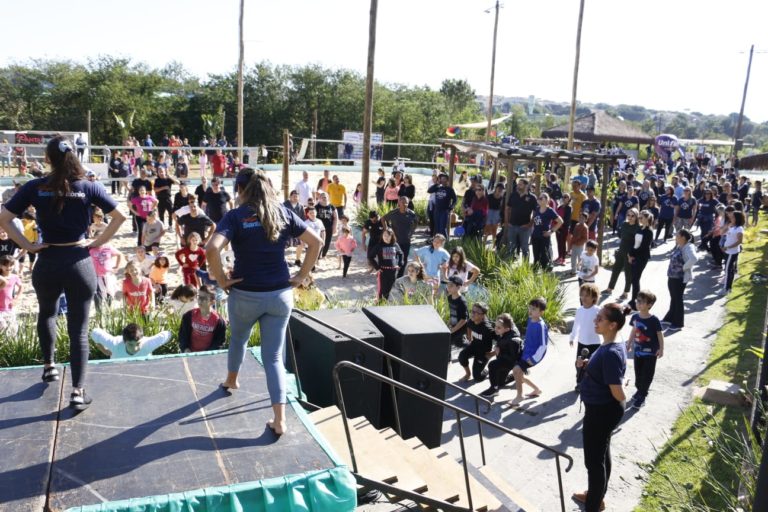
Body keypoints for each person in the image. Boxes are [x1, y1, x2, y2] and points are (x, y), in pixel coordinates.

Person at [0, 135, 125, 411]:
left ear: (47, 158)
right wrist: (97, 242)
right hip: (78, 260)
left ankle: (49, 367)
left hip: (47, 259)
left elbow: (4, 218)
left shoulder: (35, 186)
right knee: (78, 329)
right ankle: (78, 392)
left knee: (46, 313)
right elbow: (120, 217)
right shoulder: (88, 186)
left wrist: (28, 246)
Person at [206, 169, 322, 436]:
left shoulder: (236, 216)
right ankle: (279, 421)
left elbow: (212, 249)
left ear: (240, 189)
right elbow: (315, 243)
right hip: (280, 295)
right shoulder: (282, 212)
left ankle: (231, 380)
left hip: (246, 294)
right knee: (273, 358)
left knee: (239, 340)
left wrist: (222, 280)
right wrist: (302, 276)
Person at [572, 303, 628, 512]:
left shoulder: (610, 352)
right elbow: (609, 375)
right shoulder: (610, 343)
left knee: (593, 462)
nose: (595, 321)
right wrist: (588, 366)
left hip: (602, 412)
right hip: (601, 409)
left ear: (612, 325)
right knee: (602, 454)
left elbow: (617, 390)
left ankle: (593, 505)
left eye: (600, 319)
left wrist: (623, 396)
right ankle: (597, 496)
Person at [626, 290, 664, 409]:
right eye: (638, 301)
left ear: (649, 305)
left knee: (647, 375)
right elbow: (634, 330)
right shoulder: (635, 317)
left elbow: (659, 334)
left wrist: (661, 348)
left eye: (642, 302)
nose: (638, 303)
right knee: (638, 374)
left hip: (650, 353)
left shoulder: (654, 320)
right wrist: (629, 342)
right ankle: (639, 390)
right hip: (637, 352)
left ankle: (642, 396)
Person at [508, 297, 549, 407]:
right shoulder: (530, 319)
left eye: (534, 309)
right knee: (518, 373)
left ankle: (519, 396)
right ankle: (536, 389)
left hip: (533, 355)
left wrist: (533, 359)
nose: (530, 310)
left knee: (516, 371)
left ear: (541, 312)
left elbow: (543, 345)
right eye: (530, 308)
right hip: (526, 351)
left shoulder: (541, 326)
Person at [662, 229, 697, 330]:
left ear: (683, 237)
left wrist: (683, 268)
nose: (675, 237)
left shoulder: (689, 246)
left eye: (677, 235)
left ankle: (678, 323)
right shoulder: (679, 245)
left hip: (679, 278)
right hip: (672, 276)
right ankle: (669, 318)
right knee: (674, 297)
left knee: (678, 299)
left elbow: (694, 259)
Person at [480, 313, 523, 397]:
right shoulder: (504, 330)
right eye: (495, 325)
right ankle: (515, 376)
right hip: (505, 355)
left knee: (492, 365)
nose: (495, 329)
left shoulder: (513, 341)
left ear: (507, 329)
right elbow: (501, 338)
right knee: (501, 382)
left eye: (498, 327)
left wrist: (499, 353)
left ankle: (494, 389)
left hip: (511, 361)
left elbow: (512, 359)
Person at [569, 283, 601, 391]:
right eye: (582, 295)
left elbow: (602, 325)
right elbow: (576, 325)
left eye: (587, 295)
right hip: (582, 342)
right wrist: (572, 337)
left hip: (595, 342)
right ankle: (580, 382)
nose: (584, 298)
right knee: (579, 363)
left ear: (594, 297)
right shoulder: (579, 310)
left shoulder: (598, 310)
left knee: (592, 364)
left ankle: (592, 383)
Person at [603, 208, 639, 300]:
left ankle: (625, 293)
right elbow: (620, 235)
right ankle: (610, 288)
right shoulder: (624, 224)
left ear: (636, 217)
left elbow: (638, 243)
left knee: (628, 273)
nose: (630, 217)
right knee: (615, 270)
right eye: (628, 215)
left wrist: (632, 254)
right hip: (621, 250)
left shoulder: (638, 227)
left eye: (632, 216)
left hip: (630, 253)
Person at [178, 285, 226, 352]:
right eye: (199, 297)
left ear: (212, 302)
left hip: (207, 356)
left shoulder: (218, 320)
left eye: (204, 298)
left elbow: (219, 342)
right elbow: (182, 335)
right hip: (190, 353)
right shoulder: (189, 316)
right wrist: (185, 348)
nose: (200, 300)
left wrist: (208, 353)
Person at [458, 302, 495, 382]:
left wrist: (492, 354)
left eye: (475, 312)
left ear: (483, 315)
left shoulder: (487, 329)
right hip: (474, 346)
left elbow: (502, 342)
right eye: (472, 311)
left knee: (478, 377)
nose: (472, 314)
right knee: (462, 356)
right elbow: (468, 326)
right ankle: (468, 374)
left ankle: (487, 370)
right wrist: (469, 336)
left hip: (483, 352)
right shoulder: (471, 321)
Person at [92, 323, 172, 359]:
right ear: (124, 341)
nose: (135, 348)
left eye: (138, 344)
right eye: (130, 344)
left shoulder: (148, 344)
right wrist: (105, 350)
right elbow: (94, 332)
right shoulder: (114, 344)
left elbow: (167, 334)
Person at [383, 196, 417, 277]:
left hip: (406, 241)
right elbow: (383, 219)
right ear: (399, 203)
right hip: (395, 241)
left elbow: (416, 222)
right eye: (403, 203)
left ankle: (399, 276)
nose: (405, 204)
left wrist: (411, 232)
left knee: (404, 260)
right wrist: (387, 230)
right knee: (392, 259)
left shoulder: (411, 214)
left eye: (406, 203)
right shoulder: (394, 213)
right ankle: (390, 274)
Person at [627, 210, 654, 311]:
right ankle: (633, 299)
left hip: (642, 257)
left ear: (647, 219)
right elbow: (634, 243)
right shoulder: (639, 229)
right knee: (633, 279)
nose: (640, 219)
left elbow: (643, 247)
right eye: (639, 218)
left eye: (642, 218)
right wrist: (629, 254)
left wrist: (632, 254)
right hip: (634, 255)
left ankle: (636, 302)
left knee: (635, 279)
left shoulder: (649, 231)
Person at [504, 178, 537, 260]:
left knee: (525, 248)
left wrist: (530, 224)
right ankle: (508, 266)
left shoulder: (532, 197)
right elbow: (507, 208)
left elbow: (536, 212)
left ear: (526, 186)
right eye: (518, 184)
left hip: (525, 227)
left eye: (520, 184)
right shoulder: (513, 195)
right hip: (512, 225)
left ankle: (525, 267)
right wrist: (507, 222)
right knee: (510, 247)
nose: (518, 186)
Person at [530, 192, 563, 270]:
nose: (539, 200)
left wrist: (551, 231)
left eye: (541, 198)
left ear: (546, 200)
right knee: (536, 256)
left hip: (544, 237)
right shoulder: (537, 209)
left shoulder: (549, 210)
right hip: (535, 236)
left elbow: (560, 221)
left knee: (545, 257)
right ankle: (535, 273)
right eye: (539, 198)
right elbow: (534, 221)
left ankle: (545, 273)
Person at [89, 241, 124, 313]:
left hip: (108, 275)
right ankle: (99, 311)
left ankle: (109, 308)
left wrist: (117, 266)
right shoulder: (90, 249)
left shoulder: (108, 247)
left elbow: (119, 254)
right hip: (96, 276)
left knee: (109, 291)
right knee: (98, 293)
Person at [371, 228, 404, 300]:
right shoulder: (379, 246)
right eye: (384, 235)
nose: (386, 237)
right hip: (383, 272)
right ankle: (380, 305)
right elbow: (370, 257)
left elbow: (400, 253)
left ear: (392, 236)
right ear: (382, 236)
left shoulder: (395, 245)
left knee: (390, 289)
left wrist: (400, 263)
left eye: (388, 235)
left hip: (393, 272)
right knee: (382, 290)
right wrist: (377, 268)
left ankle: (387, 305)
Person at [427, 173, 457, 238]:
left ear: (447, 180)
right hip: (437, 210)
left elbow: (455, 200)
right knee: (437, 228)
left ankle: (446, 243)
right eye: (442, 179)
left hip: (444, 211)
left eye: (444, 179)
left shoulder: (450, 189)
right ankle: (437, 243)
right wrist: (437, 184)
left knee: (442, 228)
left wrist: (450, 208)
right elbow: (429, 191)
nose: (443, 180)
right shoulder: (438, 188)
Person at [722, 210, 745, 295]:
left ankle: (726, 289)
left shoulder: (739, 229)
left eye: (732, 217)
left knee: (728, 270)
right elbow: (723, 233)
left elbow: (739, 241)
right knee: (729, 270)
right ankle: (729, 288)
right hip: (727, 251)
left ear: (737, 218)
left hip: (732, 252)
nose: (730, 218)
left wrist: (728, 247)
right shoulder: (731, 226)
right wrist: (726, 227)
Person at [0, 255, 22, 335]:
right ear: (1, 266)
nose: (8, 267)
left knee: (13, 329)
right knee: (2, 326)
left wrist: (16, 298)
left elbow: (21, 287)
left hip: (9, 307)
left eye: (11, 265)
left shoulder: (14, 277)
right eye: (5, 265)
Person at [445, 275, 469, 347]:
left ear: (458, 287)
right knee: (459, 343)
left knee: (448, 340)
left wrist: (453, 330)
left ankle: (447, 358)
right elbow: (452, 312)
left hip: (462, 326)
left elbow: (464, 319)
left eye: (451, 285)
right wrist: (449, 323)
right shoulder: (449, 297)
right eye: (448, 285)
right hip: (454, 324)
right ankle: (472, 347)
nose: (448, 287)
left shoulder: (462, 301)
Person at [315, 192, 338, 259]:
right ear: (319, 198)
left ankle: (324, 255)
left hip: (329, 227)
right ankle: (318, 255)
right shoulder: (316, 207)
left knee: (327, 242)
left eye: (325, 197)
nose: (324, 198)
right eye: (322, 197)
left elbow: (336, 217)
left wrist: (335, 227)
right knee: (319, 241)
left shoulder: (332, 206)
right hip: (319, 228)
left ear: (328, 198)